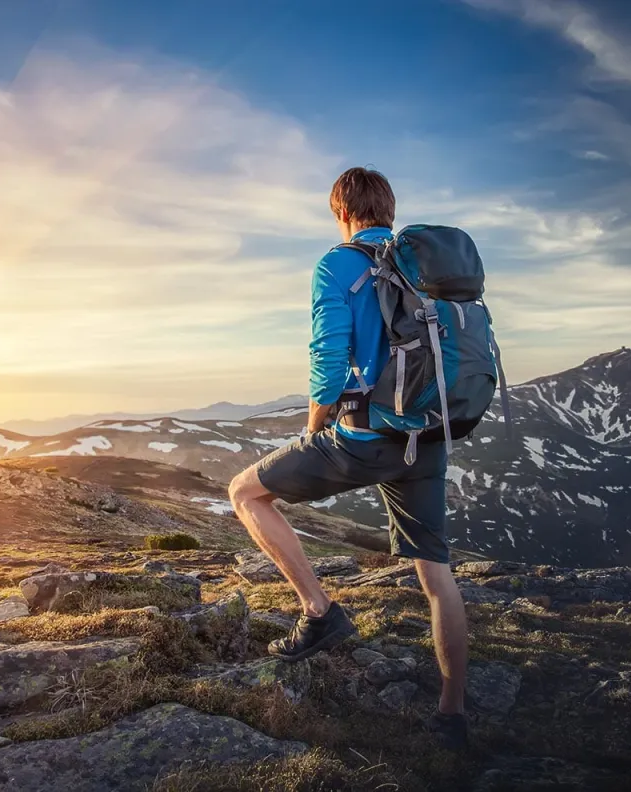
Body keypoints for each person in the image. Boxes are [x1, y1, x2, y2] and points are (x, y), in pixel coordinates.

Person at [228, 167, 470, 749]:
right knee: (437, 577)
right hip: (427, 438)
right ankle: (453, 716)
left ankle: (319, 612)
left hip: (363, 440)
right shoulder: (425, 268)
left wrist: (315, 429)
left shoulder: (337, 264)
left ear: (341, 212)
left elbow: (329, 362)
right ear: (390, 209)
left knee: (245, 492)